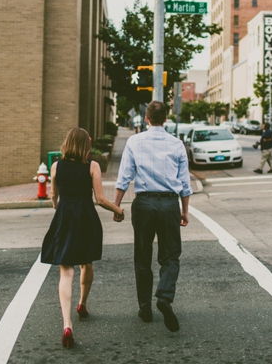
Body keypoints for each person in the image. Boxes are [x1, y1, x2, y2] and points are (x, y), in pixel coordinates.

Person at [41, 128, 125, 348]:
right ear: (85, 146)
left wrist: (58, 208)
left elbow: (53, 195)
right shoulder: (92, 166)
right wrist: (118, 210)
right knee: (86, 263)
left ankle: (67, 324)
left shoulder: (56, 166)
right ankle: (82, 303)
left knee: (65, 271)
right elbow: (99, 199)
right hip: (86, 217)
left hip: (64, 216)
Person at [114, 101, 192, 333]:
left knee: (142, 257)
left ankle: (145, 308)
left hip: (144, 204)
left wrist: (116, 206)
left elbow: (124, 177)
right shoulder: (177, 144)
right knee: (170, 256)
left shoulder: (134, 142)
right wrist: (184, 210)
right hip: (169, 203)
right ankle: (165, 297)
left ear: (146, 119)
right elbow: (185, 184)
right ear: (165, 119)